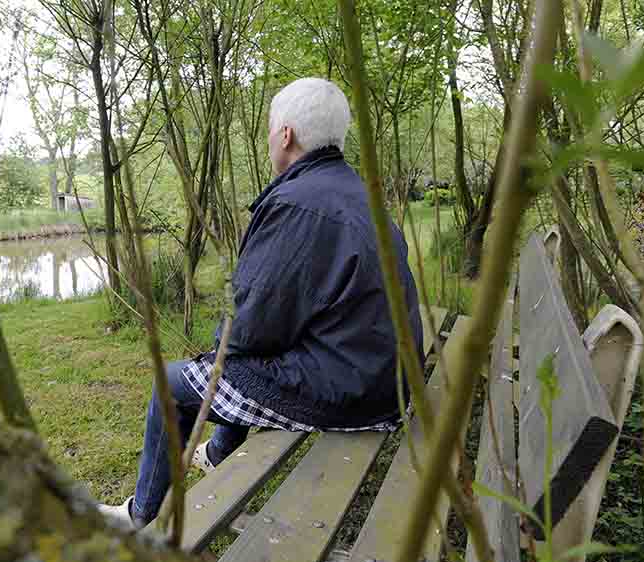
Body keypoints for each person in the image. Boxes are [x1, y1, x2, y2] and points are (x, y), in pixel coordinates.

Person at [99, 77, 423, 529]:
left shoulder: (296, 203)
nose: (270, 137)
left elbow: (249, 326)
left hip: (355, 395)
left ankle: (140, 517)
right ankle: (217, 455)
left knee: (172, 384)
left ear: (286, 134)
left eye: (271, 129)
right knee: (251, 363)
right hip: (383, 377)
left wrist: (218, 348)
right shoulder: (358, 193)